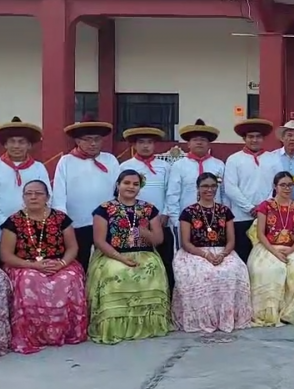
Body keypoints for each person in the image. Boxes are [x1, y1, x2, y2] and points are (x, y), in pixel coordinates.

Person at [0, 180, 87, 354]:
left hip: (59, 263)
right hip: (25, 265)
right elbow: (6, 255)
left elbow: (72, 247)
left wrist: (62, 263)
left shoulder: (61, 218)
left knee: (68, 278)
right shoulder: (14, 221)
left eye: (38, 193)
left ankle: (64, 332)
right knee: (28, 281)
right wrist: (33, 265)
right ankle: (32, 336)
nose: (33, 197)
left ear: (47, 197)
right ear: (23, 197)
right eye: (29, 193)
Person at [87, 170, 170, 344]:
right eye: (127, 183)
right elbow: (99, 241)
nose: (131, 187)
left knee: (151, 268)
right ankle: (114, 326)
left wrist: (144, 232)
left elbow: (159, 240)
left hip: (144, 252)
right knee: (116, 272)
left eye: (135, 184)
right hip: (112, 254)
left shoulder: (148, 209)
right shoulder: (104, 209)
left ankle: (149, 325)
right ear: (118, 185)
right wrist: (121, 258)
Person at [173, 173, 252, 333]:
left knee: (232, 271)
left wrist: (223, 254)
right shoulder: (188, 212)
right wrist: (206, 255)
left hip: (223, 250)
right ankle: (202, 319)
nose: (209, 189)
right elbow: (186, 242)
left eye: (212, 186)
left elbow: (231, 240)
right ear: (197, 188)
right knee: (203, 273)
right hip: (195, 253)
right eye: (205, 186)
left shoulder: (225, 211)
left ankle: (228, 318)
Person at [247, 171, 294, 326]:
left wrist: (291, 249)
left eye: (289, 185)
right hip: (268, 247)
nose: (286, 188)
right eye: (282, 185)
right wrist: (275, 252)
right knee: (273, 270)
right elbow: (260, 234)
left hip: (293, 248)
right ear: (275, 186)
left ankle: (293, 313)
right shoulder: (265, 206)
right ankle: (270, 313)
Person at [52, 117, 120, 272]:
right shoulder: (66, 161)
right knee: (79, 262)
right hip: (76, 222)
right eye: (88, 139)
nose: (93, 144)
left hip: (106, 222)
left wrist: (116, 216)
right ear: (77, 141)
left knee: (106, 264)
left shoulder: (110, 160)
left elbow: (119, 191)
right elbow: (59, 194)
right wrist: (63, 222)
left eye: (97, 139)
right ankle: (80, 294)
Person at [119, 126, 175, 292]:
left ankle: (166, 294)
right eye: (141, 142)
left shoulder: (164, 167)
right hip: (134, 223)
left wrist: (165, 213)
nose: (145, 146)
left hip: (160, 222)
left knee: (164, 260)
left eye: (149, 142)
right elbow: (119, 194)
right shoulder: (125, 166)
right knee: (138, 257)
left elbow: (169, 191)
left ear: (155, 145)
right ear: (134, 145)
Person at [166, 119, 225, 245]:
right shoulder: (179, 166)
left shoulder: (219, 165)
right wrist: (177, 220)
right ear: (188, 144)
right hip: (186, 219)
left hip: (215, 218)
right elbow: (173, 194)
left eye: (203, 140)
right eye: (195, 139)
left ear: (209, 144)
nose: (199, 142)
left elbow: (224, 194)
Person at [224, 118, 274, 263]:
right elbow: (230, 187)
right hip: (241, 216)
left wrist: (264, 206)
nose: (254, 140)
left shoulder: (273, 159)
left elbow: (277, 186)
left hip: (267, 215)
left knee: (264, 255)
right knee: (243, 254)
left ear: (263, 138)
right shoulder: (234, 159)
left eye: (258, 137)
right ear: (244, 138)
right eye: (251, 137)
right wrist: (250, 208)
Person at [0, 117, 51, 233]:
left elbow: (47, 197)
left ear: (29, 145)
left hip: (32, 227)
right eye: (12, 141)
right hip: (2, 227)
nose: (16, 146)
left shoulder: (38, 168)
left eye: (21, 142)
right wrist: (7, 224)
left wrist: (35, 221)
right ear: (5, 145)